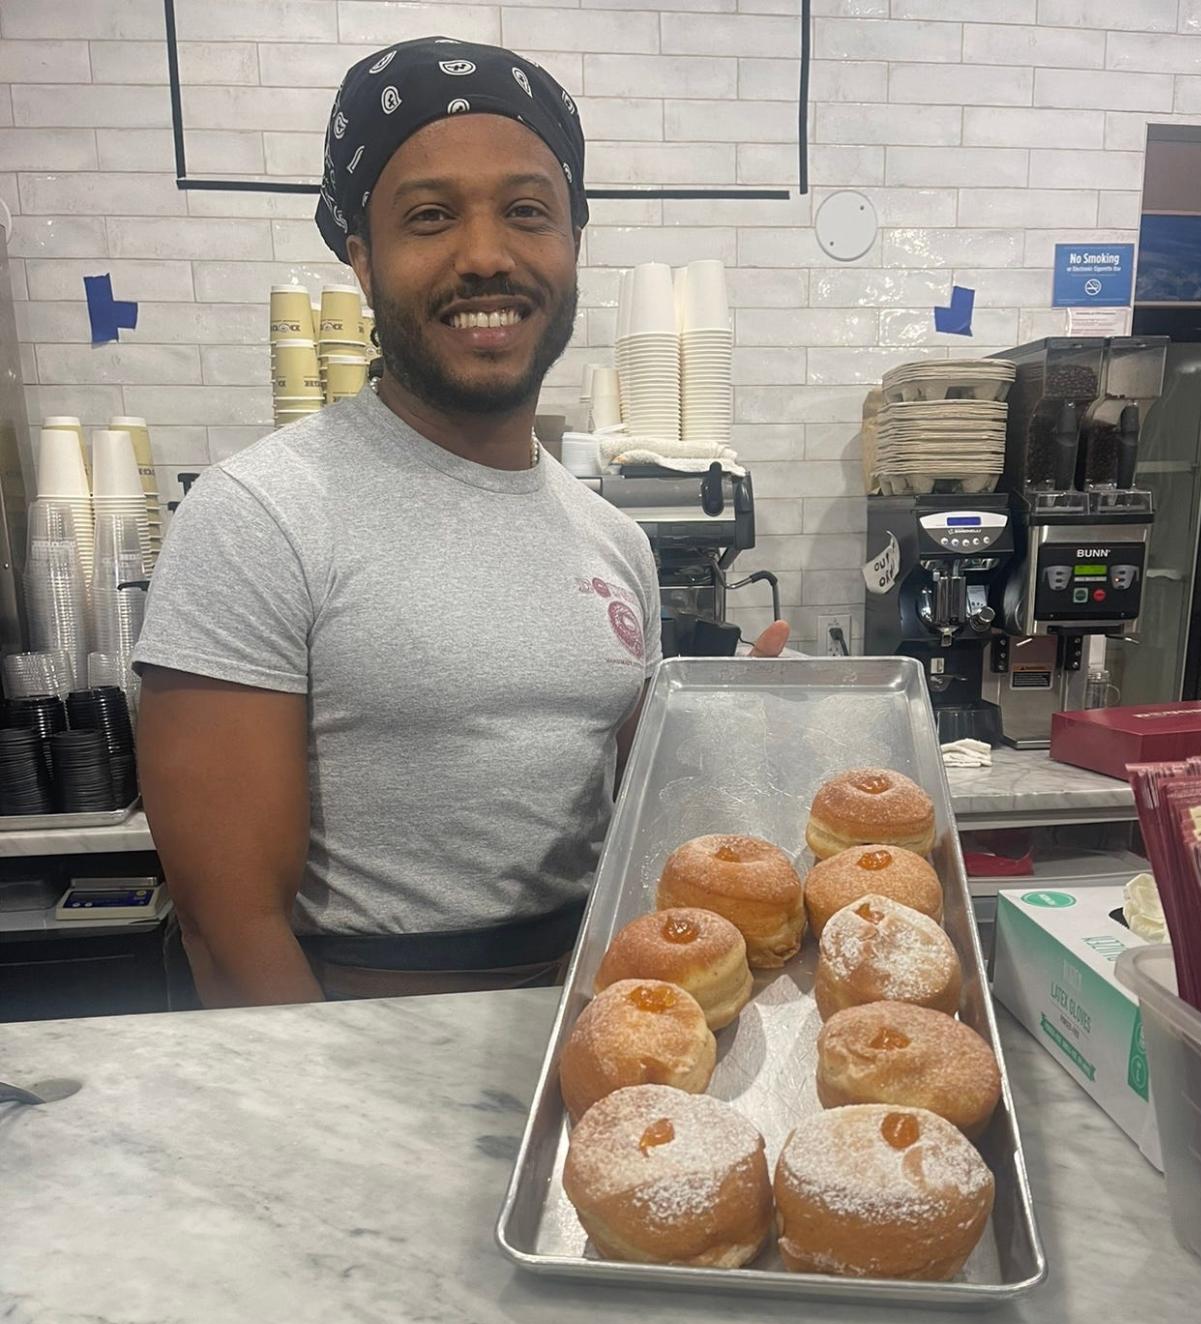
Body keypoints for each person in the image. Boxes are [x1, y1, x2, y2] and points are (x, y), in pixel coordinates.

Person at [135, 37, 789, 1009]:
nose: (486, 256)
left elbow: (630, 848)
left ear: (572, 244)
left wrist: (731, 740)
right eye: (431, 217)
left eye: (528, 212)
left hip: (591, 1042)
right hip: (360, 1047)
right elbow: (229, 933)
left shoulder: (614, 542)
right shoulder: (258, 518)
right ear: (361, 258)